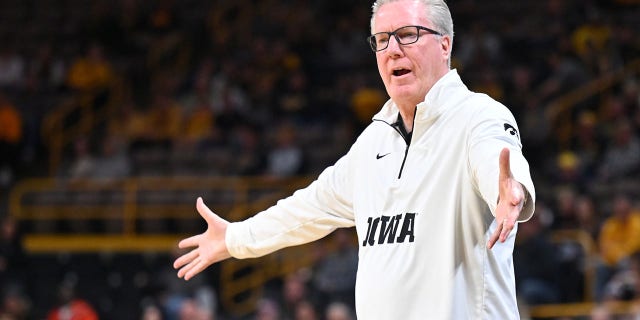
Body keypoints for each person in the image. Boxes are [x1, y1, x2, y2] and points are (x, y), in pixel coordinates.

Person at [174, 0, 536, 319]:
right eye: (382, 40)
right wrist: (235, 238)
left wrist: (508, 189)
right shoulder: (372, 143)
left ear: (445, 45)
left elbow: (496, 158)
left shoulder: (478, 115)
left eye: (408, 34)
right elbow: (306, 210)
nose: (392, 49)